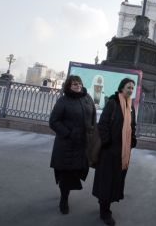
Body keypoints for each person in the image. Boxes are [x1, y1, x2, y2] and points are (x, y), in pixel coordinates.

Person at [92, 78, 138, 226]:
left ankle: (105, 204)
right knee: (107, 181)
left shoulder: (131, 106)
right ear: (121, 88)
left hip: (123, 151)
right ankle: (105, 212)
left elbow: (133, 125)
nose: (130, 90)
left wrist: (133, 139)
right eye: (128, 87)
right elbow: (103, 124)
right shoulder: (113, 103)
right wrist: (107, 142)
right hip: (109, 151)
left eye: (132, 88)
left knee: (115, 180)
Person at [49, 75, 96, 215]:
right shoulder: (63, 101)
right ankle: (64, 200)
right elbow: (54, 121)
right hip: (66, 145)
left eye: (79, 84)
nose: (78, 86)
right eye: (74, 84)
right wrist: (69, 133)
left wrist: (92, 131)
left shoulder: (87, 98)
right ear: (68, 86)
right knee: (66, 173)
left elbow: (93, 116)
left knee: (77, 171)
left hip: (82, 144)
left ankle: (65, 192)